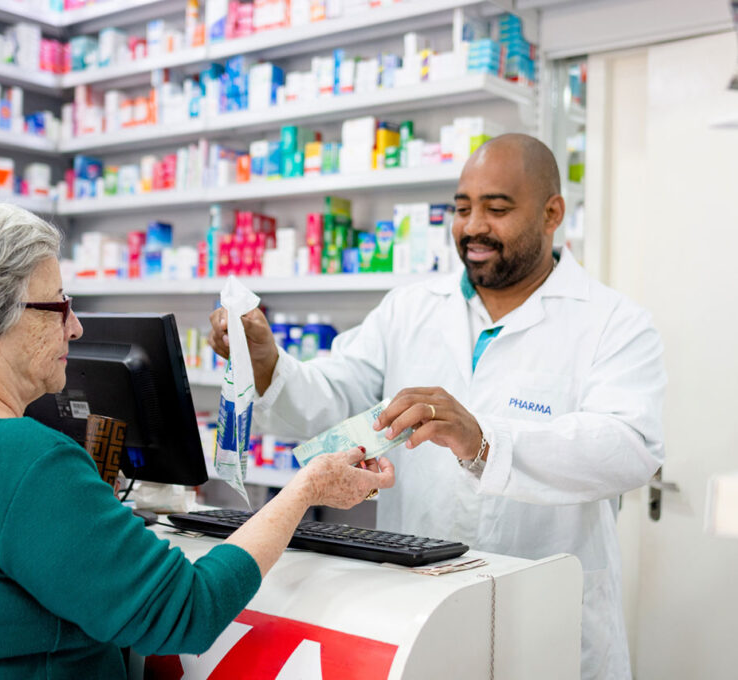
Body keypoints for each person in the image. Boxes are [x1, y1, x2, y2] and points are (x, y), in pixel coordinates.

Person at [209, 133, 666, 680]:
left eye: (497, 209)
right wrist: (268, 364)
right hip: (417, 612)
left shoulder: (614, 321)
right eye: (462, 208)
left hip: (548, 625)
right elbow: (335, 397)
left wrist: (486, 440)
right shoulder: (410, 308)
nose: (473, 227)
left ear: (552, 213)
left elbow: (629, 448)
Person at [0, 198, 395, 679]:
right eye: (56, 306)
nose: (76, 327)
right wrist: (304, 491)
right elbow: (186, 612)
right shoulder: (25, 461)